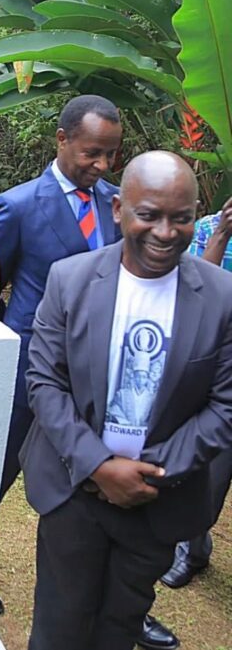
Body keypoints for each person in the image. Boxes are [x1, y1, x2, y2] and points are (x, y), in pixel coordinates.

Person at [21, 151, 232, 650]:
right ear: (119, 209)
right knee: (58, 627)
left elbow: (225, 406)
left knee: (119, 626)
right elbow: (45, 382)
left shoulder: (222, 296)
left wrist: (151, 473)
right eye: (149, 215)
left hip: (159, 499)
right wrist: (100, 467)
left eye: (181, 218)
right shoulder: (70, 280)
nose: (165, 232)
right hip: (74, 491)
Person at [0, 94, 123, 613]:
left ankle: (114, 589)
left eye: (110, 154)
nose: (101, 165)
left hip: (100, 372)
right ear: (62, 140)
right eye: (91, 153)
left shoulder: (117, 203)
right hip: (30, 367)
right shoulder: (18, 205)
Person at [160, 196, 232, 589]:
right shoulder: (204, 229)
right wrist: (222, 233)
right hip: (217, 370)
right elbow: (198, 296)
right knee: (211, 468)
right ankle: (192, 546)